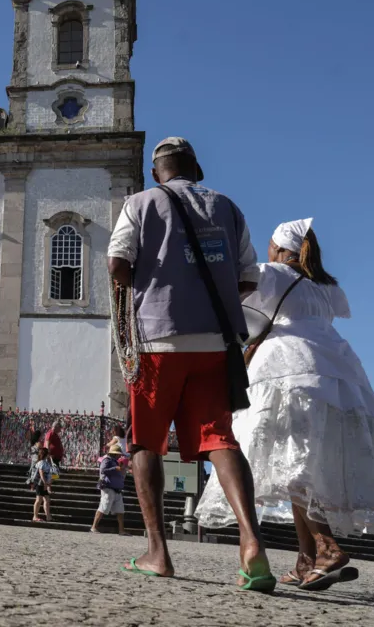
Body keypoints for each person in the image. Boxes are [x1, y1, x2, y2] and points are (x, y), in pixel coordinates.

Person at [107, 136, 274, 591]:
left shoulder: (139, 203)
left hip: (157, 340)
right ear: (195, 169)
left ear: (156, 171)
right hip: (216, 341)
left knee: (145, 442)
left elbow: (117, 264)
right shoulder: (228, 207)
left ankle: (158, 553)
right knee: (220, 439)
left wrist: (149, 289)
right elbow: (247, 278)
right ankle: (250, 542)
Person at [196, 220, 374, 591]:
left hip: (288, 369)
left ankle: (327, 548)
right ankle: (306, 560)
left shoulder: (271, 273)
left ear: (280, 249)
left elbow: (239, 303)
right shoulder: (325, 288)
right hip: (337, 375)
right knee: (302, 463)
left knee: (293, 464)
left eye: (270, 245)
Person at [92, 443, 127, 535]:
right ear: (114, 453)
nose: (120, 455)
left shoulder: (115, 461)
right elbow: (103, 471)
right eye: (118, 454)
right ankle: (94, 527)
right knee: (104, 507)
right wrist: (115, 468)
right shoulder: (107, 460)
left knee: (120, 510)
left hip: (117, 489)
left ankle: (121, 530)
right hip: (108, 488)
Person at [31, 447, 54, 522]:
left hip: (44, 484)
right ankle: (35, 516)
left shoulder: (46, 462)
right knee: (39, 500)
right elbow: (41, 473)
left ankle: (48, 516)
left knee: (47, 499)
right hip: (40, 483)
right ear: (46, 454)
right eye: (48, 453)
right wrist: (45, 483)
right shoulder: (41, 463)